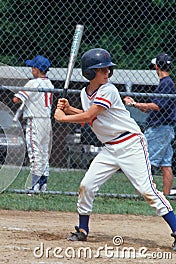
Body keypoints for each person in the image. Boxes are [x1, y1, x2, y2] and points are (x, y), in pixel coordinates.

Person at [54, 48, 176, 250]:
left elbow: (87, 116)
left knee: (147, 191)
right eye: (102, 70)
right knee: (87, 185)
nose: (107, 73)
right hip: (109, 149)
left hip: (130, 145)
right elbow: (92, 117)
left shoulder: (108, 90)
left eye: (108, 69)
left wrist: (63, 117)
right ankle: (82, 229)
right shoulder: (86, 93)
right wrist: (69, 109)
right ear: (90, 73)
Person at [123, 53, 176, 195]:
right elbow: (152, 108)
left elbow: (156, 106)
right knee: (165, 164)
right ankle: (165, 195)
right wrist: (135, 104)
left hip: (160, 130)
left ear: (157, 66)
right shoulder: (166, 83)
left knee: (145, 161)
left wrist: (133, 103)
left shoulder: (167, 84)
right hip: (164, 129)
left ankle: (145, 194)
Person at [13, 55, 54, 192]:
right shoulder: (49, 83)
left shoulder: (33, 83)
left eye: (32, 67)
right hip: (46, 121)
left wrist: (19, 95)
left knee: (35, 152)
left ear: (37, 69)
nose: (31, 69)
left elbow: (16, 99)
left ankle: (34, 185)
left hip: (35, 120)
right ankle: (43, 184)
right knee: (43, 152)